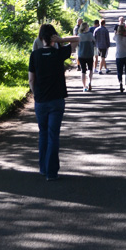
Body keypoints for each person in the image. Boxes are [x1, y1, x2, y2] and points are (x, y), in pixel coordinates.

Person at [28, 24, 79, 180]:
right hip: (56, 100)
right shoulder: (59, 53)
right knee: (53, 135)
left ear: (40, 38)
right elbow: (78, 39)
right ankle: (51, 172)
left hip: (41, 101)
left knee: (43, 134)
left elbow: (31, 79)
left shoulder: (34, 55)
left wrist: (36, 94)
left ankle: (43, 168)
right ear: (53, 38)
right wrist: (62, 39)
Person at [113, 23, 126, 92]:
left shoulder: (116, 36)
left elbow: (113, 38)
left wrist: (116, 32)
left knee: (119, 71)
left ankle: (120, 82)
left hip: (119, 56)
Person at [78, 20, 95, 91]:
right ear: (86, 27)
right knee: (90, 69)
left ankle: (84, 86)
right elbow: (94, 42)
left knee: (83, 71)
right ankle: (89, 82)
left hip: (81, 55)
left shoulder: (79, 35)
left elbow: (77, 45)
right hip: (89, 54)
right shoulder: (90, 34)